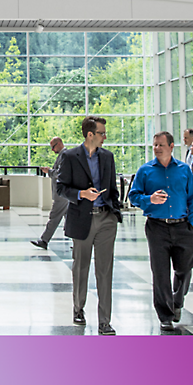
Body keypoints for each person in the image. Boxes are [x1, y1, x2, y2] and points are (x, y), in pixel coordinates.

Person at [128, 131, 193, 333]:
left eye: (161, 145)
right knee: (160, 273)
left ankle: (177, 301)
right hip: (157, 227)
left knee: (185, 267)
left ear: (171, 146)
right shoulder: (145, 171)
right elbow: (133, 196)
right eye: (155, 145)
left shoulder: (184, 170)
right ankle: (165, 316)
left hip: (183, 225)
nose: (157, 148)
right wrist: (148, 199)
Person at [55, 117, 122, 335]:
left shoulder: (108, 157)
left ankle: (105, 321)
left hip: (105, 219)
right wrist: (81, 194)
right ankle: (78, 308)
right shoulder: (70, 156)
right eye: (102, 133)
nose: (105, 137)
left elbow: (112, 188)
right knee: (81, 267)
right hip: (82, 218)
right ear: (90, 134)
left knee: (105, 270)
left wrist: (115, 211)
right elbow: (61, 188)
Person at [31, 137, 68, 249]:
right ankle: (78, 241)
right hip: (64, 194)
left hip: (61, 195)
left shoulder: (64, 155)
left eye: (53, 146)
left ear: (60, 143)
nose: (52, 150)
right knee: (70, 218)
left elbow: (61, 173)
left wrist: (49, 172)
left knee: (54, 217)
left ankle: (44, 240)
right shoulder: (63, 155)